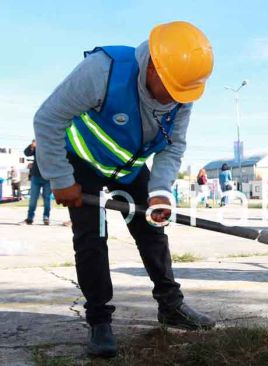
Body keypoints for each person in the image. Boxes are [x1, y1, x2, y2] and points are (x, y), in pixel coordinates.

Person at [33, 21, 215, 358]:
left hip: (129, 168)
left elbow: (172, 148)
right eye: (173, 89)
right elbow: (48, 118)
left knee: (153, 230)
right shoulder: (103, 70)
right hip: (83, 164)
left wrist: (160, 192)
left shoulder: (182, 93)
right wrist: (61, 179)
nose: (177, 99)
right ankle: (99, 320)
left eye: (183, 93)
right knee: (91, 238)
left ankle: (170, 306)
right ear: (154, 67)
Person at [24, 140, 53, 224]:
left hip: (47, 177)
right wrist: (32, 146)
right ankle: (30, 218)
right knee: (33, 199)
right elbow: (27, 153)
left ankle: (46, 217)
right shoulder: (37, 147)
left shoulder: (52, 147)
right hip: (36, 176)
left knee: (47, 199)